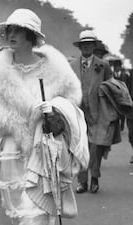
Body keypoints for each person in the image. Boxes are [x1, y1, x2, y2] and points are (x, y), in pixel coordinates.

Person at [0, 9, 89, 225]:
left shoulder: (56, 71)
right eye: (10, 29)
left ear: (30, 35)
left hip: (43, 151)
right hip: (11, 151)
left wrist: (56, 108)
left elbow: (72, 106)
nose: (13, 34)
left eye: (19, 30)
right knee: (17, 215)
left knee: (36, 216)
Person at [70, 30, 113, 194]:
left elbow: (112, 87)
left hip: (98, 114)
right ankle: (82, 182)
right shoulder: (72, 66)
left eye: (89, 44)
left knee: (96, 148)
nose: (86, 47)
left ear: (94, 46)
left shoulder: (103, 65)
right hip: (77, 114)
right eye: (83, 44)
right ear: (80, 46)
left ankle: (94, 178)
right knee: (80, 147)